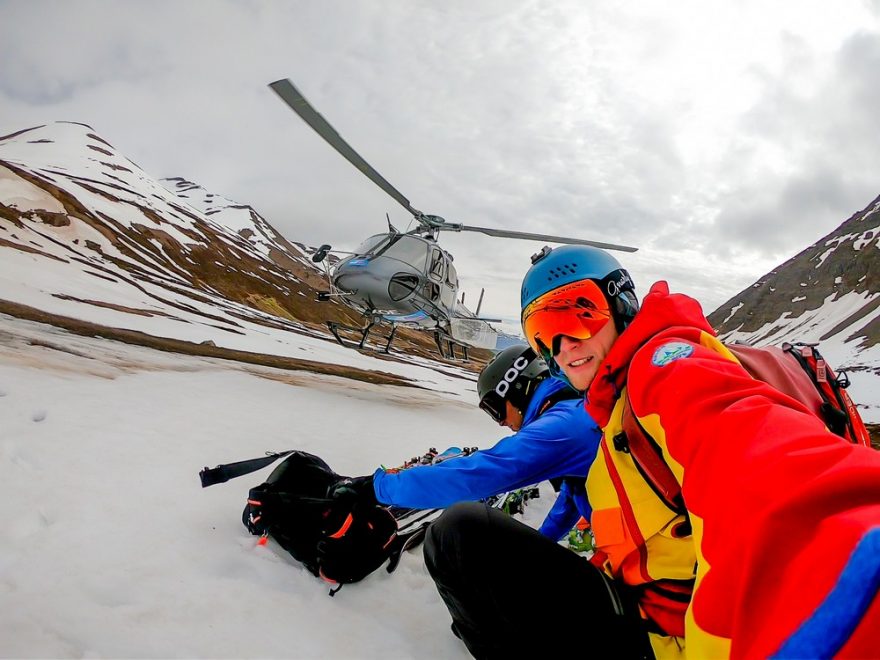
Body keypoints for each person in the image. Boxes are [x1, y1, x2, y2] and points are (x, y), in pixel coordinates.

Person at [424, 244, 880, 659]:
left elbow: (774, 470)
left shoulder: (664, 368)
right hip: (646, 610)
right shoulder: (613, 412)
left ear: (621, 303)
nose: (562, 346)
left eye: (578, 314)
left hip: (671, 640)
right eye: (543, 333)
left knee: (459, 536)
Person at [330, 343, 599, 542]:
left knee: (453, 530)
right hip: (633, 567)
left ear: (518, 387)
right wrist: (543, 542)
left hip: (637, 584)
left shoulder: (561, 427)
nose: (501, 423)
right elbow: (574, 496)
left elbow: (476, 475)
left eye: (496, 409)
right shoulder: (574, 413)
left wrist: (378, 487)